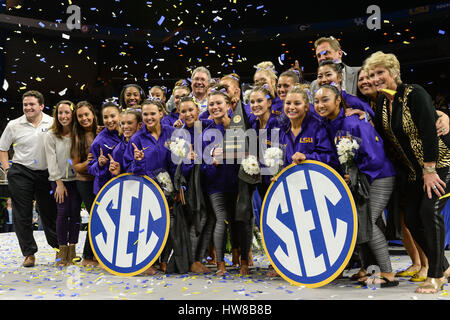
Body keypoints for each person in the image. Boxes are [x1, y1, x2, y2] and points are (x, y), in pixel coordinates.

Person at [365, 51, 450, 293]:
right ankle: (443, 266)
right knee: (411, 219)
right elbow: (385, 139)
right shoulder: (382, 103)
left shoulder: (415, 93)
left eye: (380, 72)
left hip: (442, 163)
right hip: (414, 172)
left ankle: (435, 275)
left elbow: (428, 132)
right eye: (372, 74)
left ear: (393, 72)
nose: (375, 78)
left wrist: (430, 169)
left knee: (428, 211)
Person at [314, 84, 398, 287]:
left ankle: (387, 273)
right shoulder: (327, 124)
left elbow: (375, 156)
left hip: (378, 176)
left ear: (338, 101)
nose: (320, 104)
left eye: (325, 100)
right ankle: (369, 269)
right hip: (356, 178)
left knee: (366, 222)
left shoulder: (354, 122)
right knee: (359, 222)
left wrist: (355, 176)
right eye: (316, 101)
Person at [0, 90, 58, 267]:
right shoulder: (13, 125)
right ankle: (29, 253)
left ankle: (59, 250)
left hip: (47, 173)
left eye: (32, 104)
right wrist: (8, 169)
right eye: (25, 104)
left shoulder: (53, 123)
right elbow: (3, 148)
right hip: (21, 172)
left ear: (41, 105)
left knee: (50, 213)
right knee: (22, 215)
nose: (28, 107)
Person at [123, 98, 177, 275]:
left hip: (170, 189)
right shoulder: (137, 138)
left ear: (161, 113)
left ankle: (164, 261)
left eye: (153, 113)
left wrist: (178, 187)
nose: (149, 117)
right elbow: (129, 168)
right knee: (149, 226)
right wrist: (137, 162)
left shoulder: (172, 132)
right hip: (146, 191)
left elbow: (177, 162)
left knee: (168, 226)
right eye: (145, 114)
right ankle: (148, 261)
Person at [201, 88, 241, 276]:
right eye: (211, 104)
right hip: (215, 185)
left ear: (228, 105)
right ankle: (220, 264)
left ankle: (241, 260)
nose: (215, 107)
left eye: (219, 103)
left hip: (238, 183)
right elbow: (202, 164)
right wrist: (212, 163)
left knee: (238, 221)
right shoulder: (206, 133)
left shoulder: (239, 127)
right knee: (221, 219)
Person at [44, 100, 82, 266]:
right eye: (60, 113)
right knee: (62, 212)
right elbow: (51, 161)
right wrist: (58, 183)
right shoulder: (50, 135)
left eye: (67, 112)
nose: (63, 116)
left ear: (72, 114)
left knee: (74, 213)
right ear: (56, 114)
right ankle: (61, 251)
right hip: (58, 180)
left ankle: (72, 250)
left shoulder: (78, 134)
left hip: (76, 180)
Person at [70, 101, 98, 267]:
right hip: (85, 183)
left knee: (101, 217)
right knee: (96, 216)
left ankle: (97, 255)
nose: (84, 118)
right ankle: (87, 256)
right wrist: (90, 163)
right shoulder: (77, 138)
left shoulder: (101, 131)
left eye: (86, 114)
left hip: (102, 182)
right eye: (80, 116)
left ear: (93, 114)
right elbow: (76, 167)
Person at [88, 101, 122, 195]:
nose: (109, 120)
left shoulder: (128, 133)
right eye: (105, 117)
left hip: (126, 184)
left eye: (112, 116)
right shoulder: (98, 142)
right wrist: (99, 164)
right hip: (106, 189)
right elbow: (91, 168)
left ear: (120, 115)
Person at [108, 109, 142, 177]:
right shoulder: (118, 150)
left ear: (140, 125)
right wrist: (117, 173)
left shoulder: (147, 144)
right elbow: (118, 181)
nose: (125, 127)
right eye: (122, 123)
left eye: (129, 123)